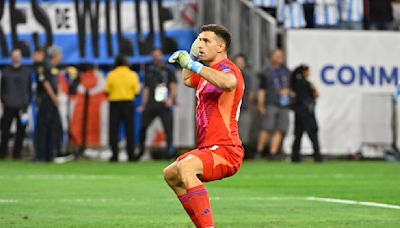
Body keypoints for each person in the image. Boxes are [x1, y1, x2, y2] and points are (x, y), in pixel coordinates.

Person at [165, 24, 244, 227]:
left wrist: (194, 65)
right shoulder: (207, 71)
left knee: (186, 167)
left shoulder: (228, 69)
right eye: (199, 40)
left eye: (206, 40)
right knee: (171, 175)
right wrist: (190, 57)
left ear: (221, 46)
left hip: (227, 149)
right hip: (209, 147)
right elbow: (189, 80)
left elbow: (229, 83)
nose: (201, 44)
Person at [137, 49, 177, 160]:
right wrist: (143, 105)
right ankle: (140, 150)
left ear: (162, 56)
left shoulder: (169, 70)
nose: (156, 58)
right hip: (151, 103)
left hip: (164, 104)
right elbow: (146, 89)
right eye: (154, 56)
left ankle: (170, 153)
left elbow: (173, 86)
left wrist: (171, 99)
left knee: (168, 129)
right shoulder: (150, 70)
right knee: (143, 127)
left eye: (158, 55)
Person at [104, 55, 140, 162]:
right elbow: (136, 91)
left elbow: (106, 90)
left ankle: (114, 155)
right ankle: (131, 155)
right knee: (130, 130)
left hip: (114, 103)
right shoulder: (132, 74)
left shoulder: (111, 74)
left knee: (114, 130)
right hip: (128, 103)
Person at [256, 49, 290, 159]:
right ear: (272, 57)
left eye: (281, 55)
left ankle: (273, 152)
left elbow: (291, 87)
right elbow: (262, 90)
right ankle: (259, 151)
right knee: (266, 128)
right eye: (277, 55)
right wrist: (261, 105)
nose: (280, 58)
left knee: (280, 129)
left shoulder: (287, 72)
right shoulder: (266, 73)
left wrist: (288, 92)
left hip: (284, 105)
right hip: (270, 103)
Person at [0, 49, 32, 160]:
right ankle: (2, 153)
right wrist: (4, 101)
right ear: (11, 57)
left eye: (18, 55)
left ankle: (16, 154)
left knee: (21, 131)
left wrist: (27, 102)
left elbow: (29, 89)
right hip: (9, 106)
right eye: (14, 55)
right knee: (5, 130)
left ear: (21, 57)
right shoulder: (5, 71)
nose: (16, 57)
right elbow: (2, 89)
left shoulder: (27, 72)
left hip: (23, 107)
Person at [34, 45, 63, 162]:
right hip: (46, 100)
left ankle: (49, 155)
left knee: (53, 127)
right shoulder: (43, 66)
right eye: (60, 55)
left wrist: (57, 97)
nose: (61, 57)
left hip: (53, 100)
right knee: (43, 127)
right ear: (55, 55)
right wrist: (54, 97)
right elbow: (45, 83)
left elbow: (57, 83)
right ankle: (40, 155)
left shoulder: (54, 68)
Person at [290, 65, 322, 162]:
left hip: (299, 112)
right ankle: (317, 156)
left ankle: (295, 157)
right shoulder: (308, 84)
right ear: (304, 72)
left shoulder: (295, 84)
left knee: (298, 135)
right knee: (313, 133)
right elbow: (316, 94)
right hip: (308, 113)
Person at [234, 54, 254, 152]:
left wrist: (249, 104)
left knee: (244, 132)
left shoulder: (247, 78)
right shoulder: (229, 76)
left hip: (244, 107)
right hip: (232, 109)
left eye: (241, 63)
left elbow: (250, 93)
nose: (239, 65)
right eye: (237, 63)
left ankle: (242, 153)